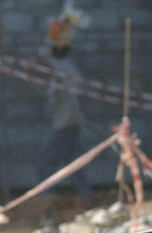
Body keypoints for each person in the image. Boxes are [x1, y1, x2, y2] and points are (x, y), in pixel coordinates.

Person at [38, 7, 91, 201]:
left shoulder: (63, 67)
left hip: (65, 124)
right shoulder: (68, 67)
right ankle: (85, 196)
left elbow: (44, 52)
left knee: (45, 161)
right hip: (71, 122)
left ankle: (46, 199)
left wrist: (57, 28)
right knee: (74, 163)